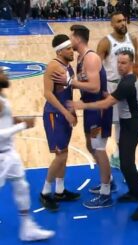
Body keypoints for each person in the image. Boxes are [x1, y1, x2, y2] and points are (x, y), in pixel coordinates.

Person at [70, 50, 138, 220]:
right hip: (127, 124)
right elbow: (116, 97)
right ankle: (133, 190)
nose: (120, 66)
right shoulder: (126, 80)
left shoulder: (128, 82)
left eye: (124, 63)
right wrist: (109, 95)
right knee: (125, 163)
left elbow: (108, 103)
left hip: (133, 126)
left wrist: (83, 106)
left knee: (127, 165)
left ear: (131, 64)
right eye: (118, 62)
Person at [53, 24, 113, 209]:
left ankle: (106, 193)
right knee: (90, 145)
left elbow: (94, 87)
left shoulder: (91, 58)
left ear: (78, 39)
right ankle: (108, 180)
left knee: (98, 148)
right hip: (89, 108)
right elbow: (84, 83)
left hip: (98, 108)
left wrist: (70, 82)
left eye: (71, 37)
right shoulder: (80, 58)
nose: (69, 40)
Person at [0, 68, 55, 241]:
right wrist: (23, 126)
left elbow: (4, 119)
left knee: (22, 187)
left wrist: (19, 120)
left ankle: (27, 228)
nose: (6, 74)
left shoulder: (2, 97)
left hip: (9, 154)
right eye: (1, 72)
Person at [97, 11, 138, 171]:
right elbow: (96, 66)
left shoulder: (133, 39)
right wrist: (100, 88)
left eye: (124, 20)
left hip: (129, 85)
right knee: (115, 123)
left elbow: (137, 62)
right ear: (112, 24)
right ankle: (115, 153)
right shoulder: (105, 42)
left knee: (126, 122)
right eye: (118, 21)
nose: (123, 23)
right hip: (112, 85)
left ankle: (118, 154)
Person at [40, 34, 80, 211]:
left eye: (72, 47)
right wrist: (65, 112)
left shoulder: (68, 66)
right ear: (60, 50)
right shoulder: (53, 66)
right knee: (61, 155)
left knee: (64, 154)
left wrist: (73, 112)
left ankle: (60, 190)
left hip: (64, 115)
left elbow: (68, 93)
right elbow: (48, 94)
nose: (72, 51)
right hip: (54, 115)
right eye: (69, 48)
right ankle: (45, 192)